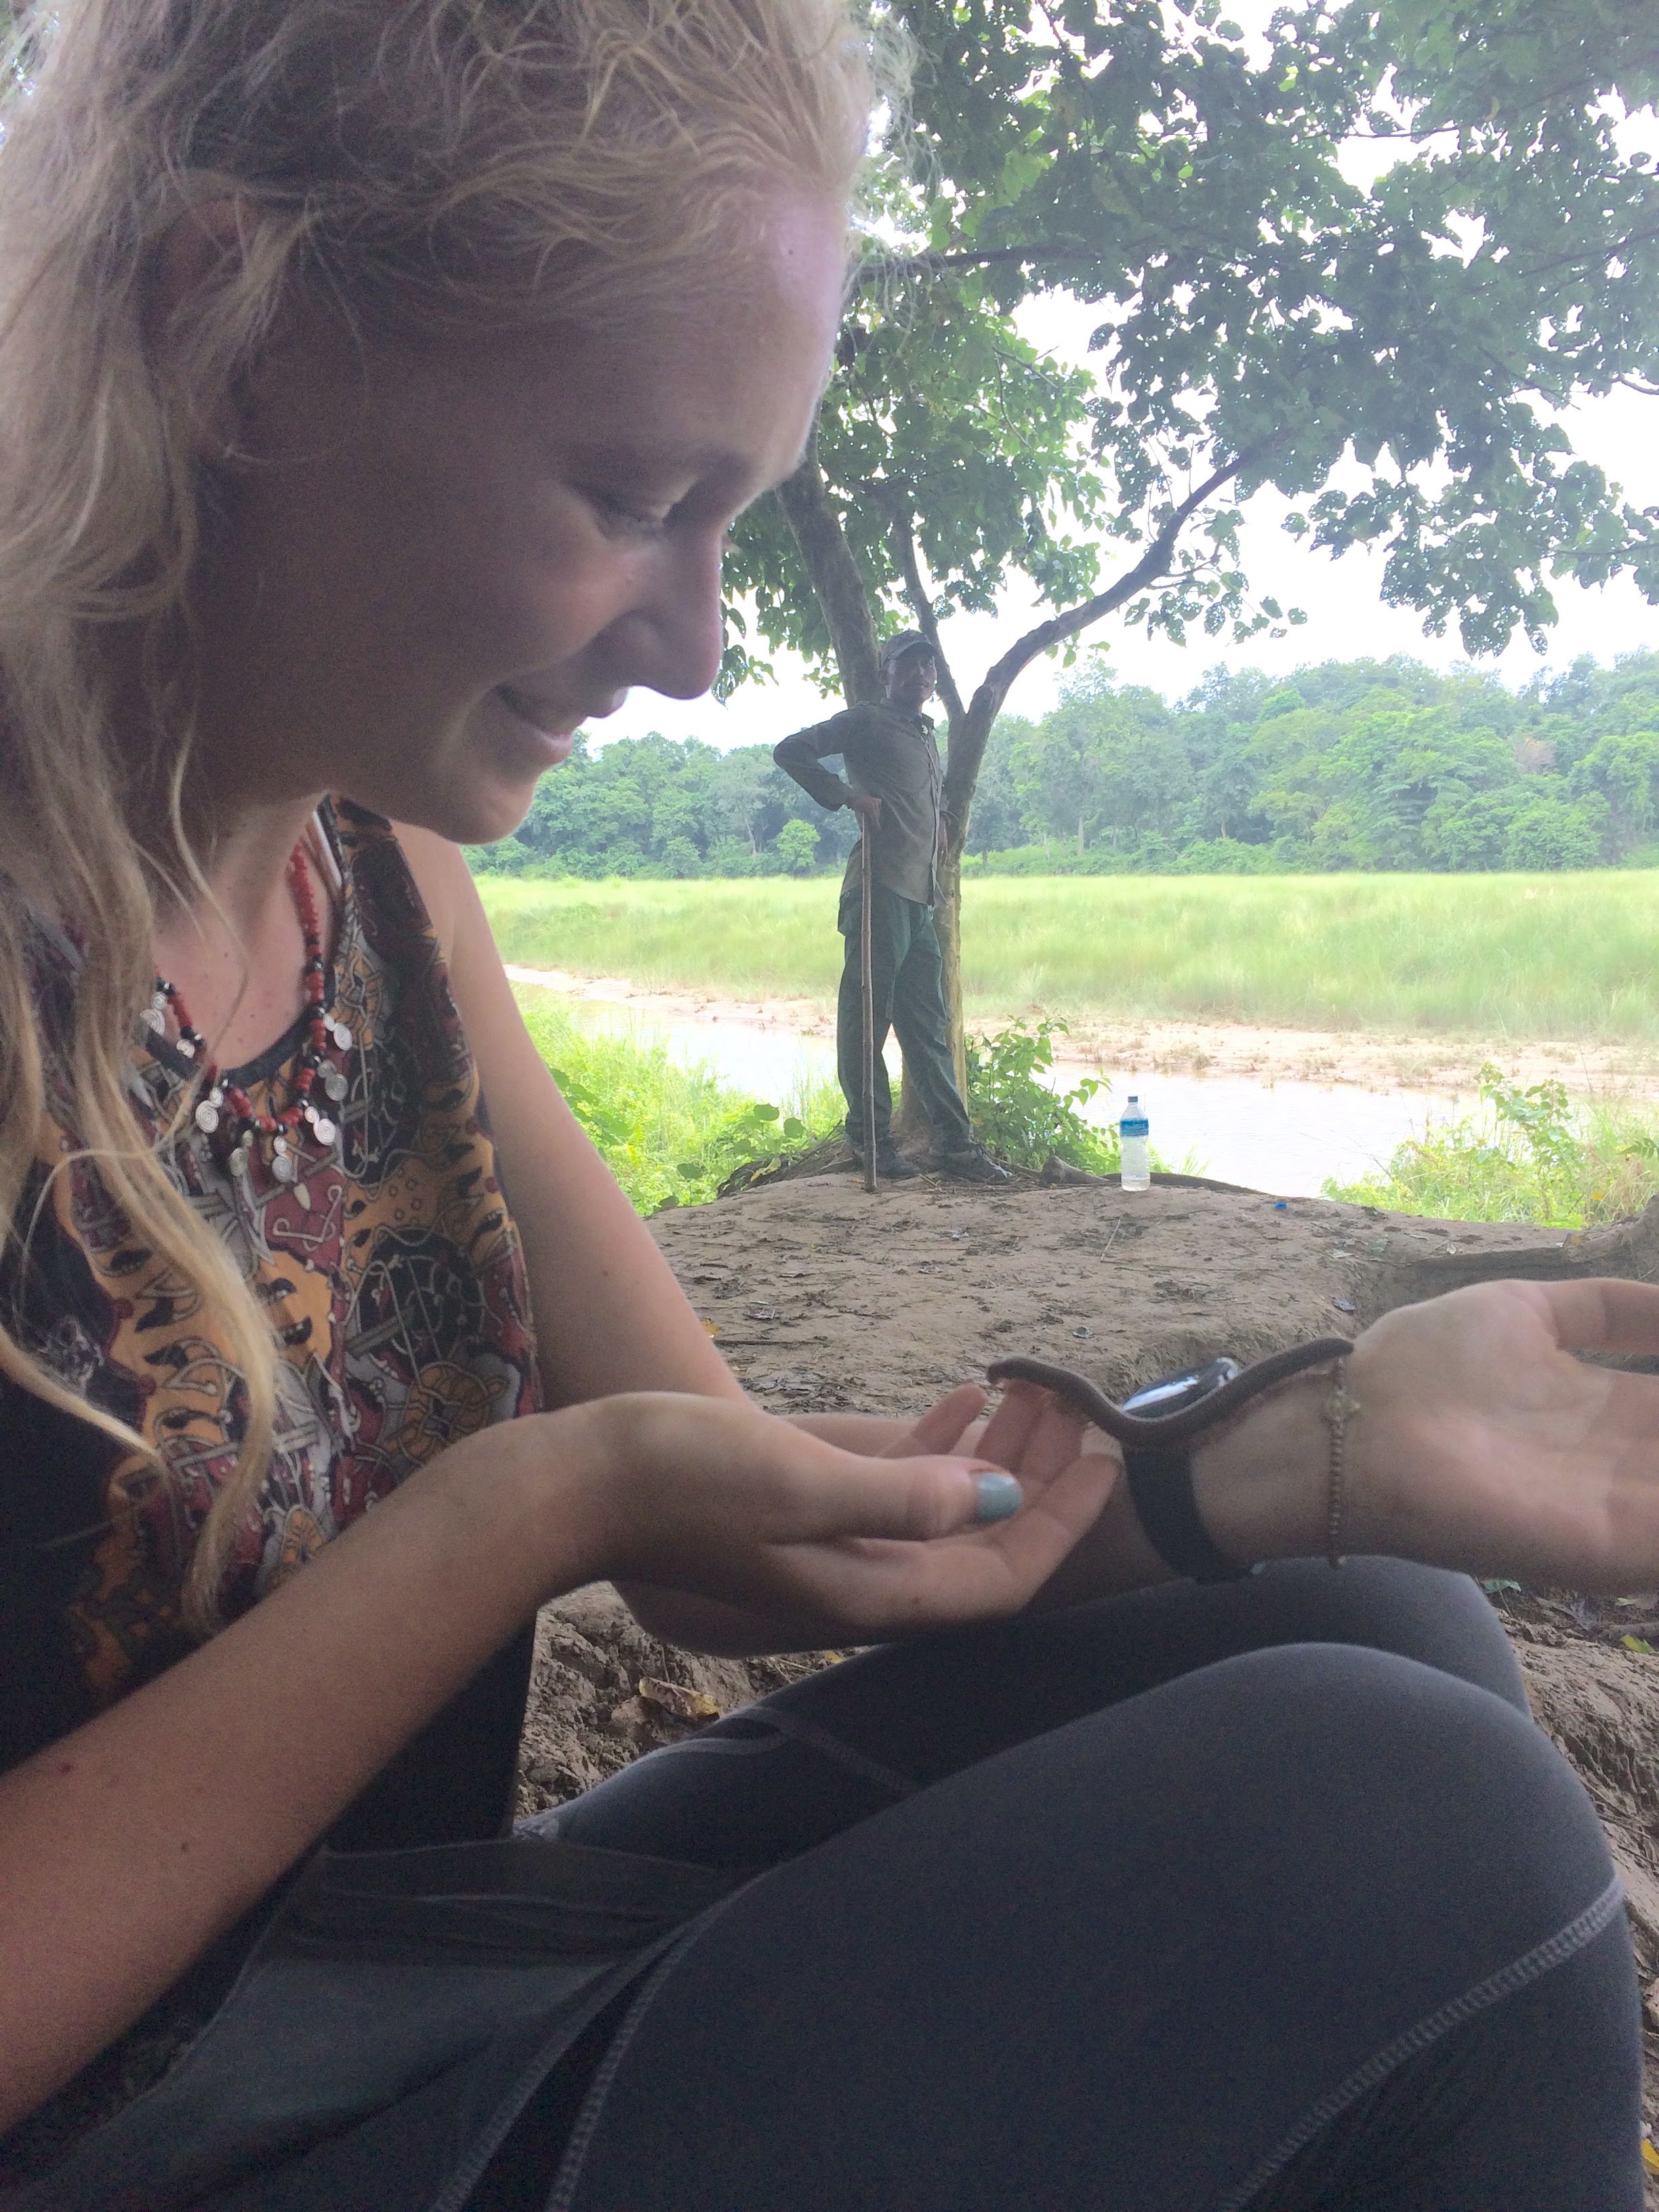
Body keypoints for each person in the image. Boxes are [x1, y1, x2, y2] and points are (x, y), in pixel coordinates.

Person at [0, 3, 1653, 2208]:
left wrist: (1298, 1450)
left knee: (1362, 1628)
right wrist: (511, 1517)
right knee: (1409, 1826)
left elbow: (729, 1546)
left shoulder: (374, 877)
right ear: (233, 334)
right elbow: (597, 1499)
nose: (696, 645)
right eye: (631, 500)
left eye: (736, 520)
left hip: (362, 2001)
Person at [773, 630, 1011, 1182]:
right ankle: (871, 1140)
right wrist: (847, 796)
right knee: (867, 1019)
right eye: (908, 666)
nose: (920, 675)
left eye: (928, 666)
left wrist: (944, 819)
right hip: (878, 889)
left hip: (920, 897)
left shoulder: (924, 733)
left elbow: (927, 795)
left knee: (928, 1025)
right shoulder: (868, 720)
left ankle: (956, 1145)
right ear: (887, 673)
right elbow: (791, 750)